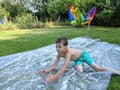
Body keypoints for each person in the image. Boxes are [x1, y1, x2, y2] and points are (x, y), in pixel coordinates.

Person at [39, 37, 120, 83]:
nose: (57, 49)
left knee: (97, 69)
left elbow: (64, 67)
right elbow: (55, 64)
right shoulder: (59, 54)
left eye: (59, 47)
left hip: (83, 55)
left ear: (65, 46)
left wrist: (53, 77)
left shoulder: (68, 53)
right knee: (80, 73)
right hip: (77, 60)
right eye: (56, 46)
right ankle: (78, 65)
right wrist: (47, 70)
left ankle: (118, 72)